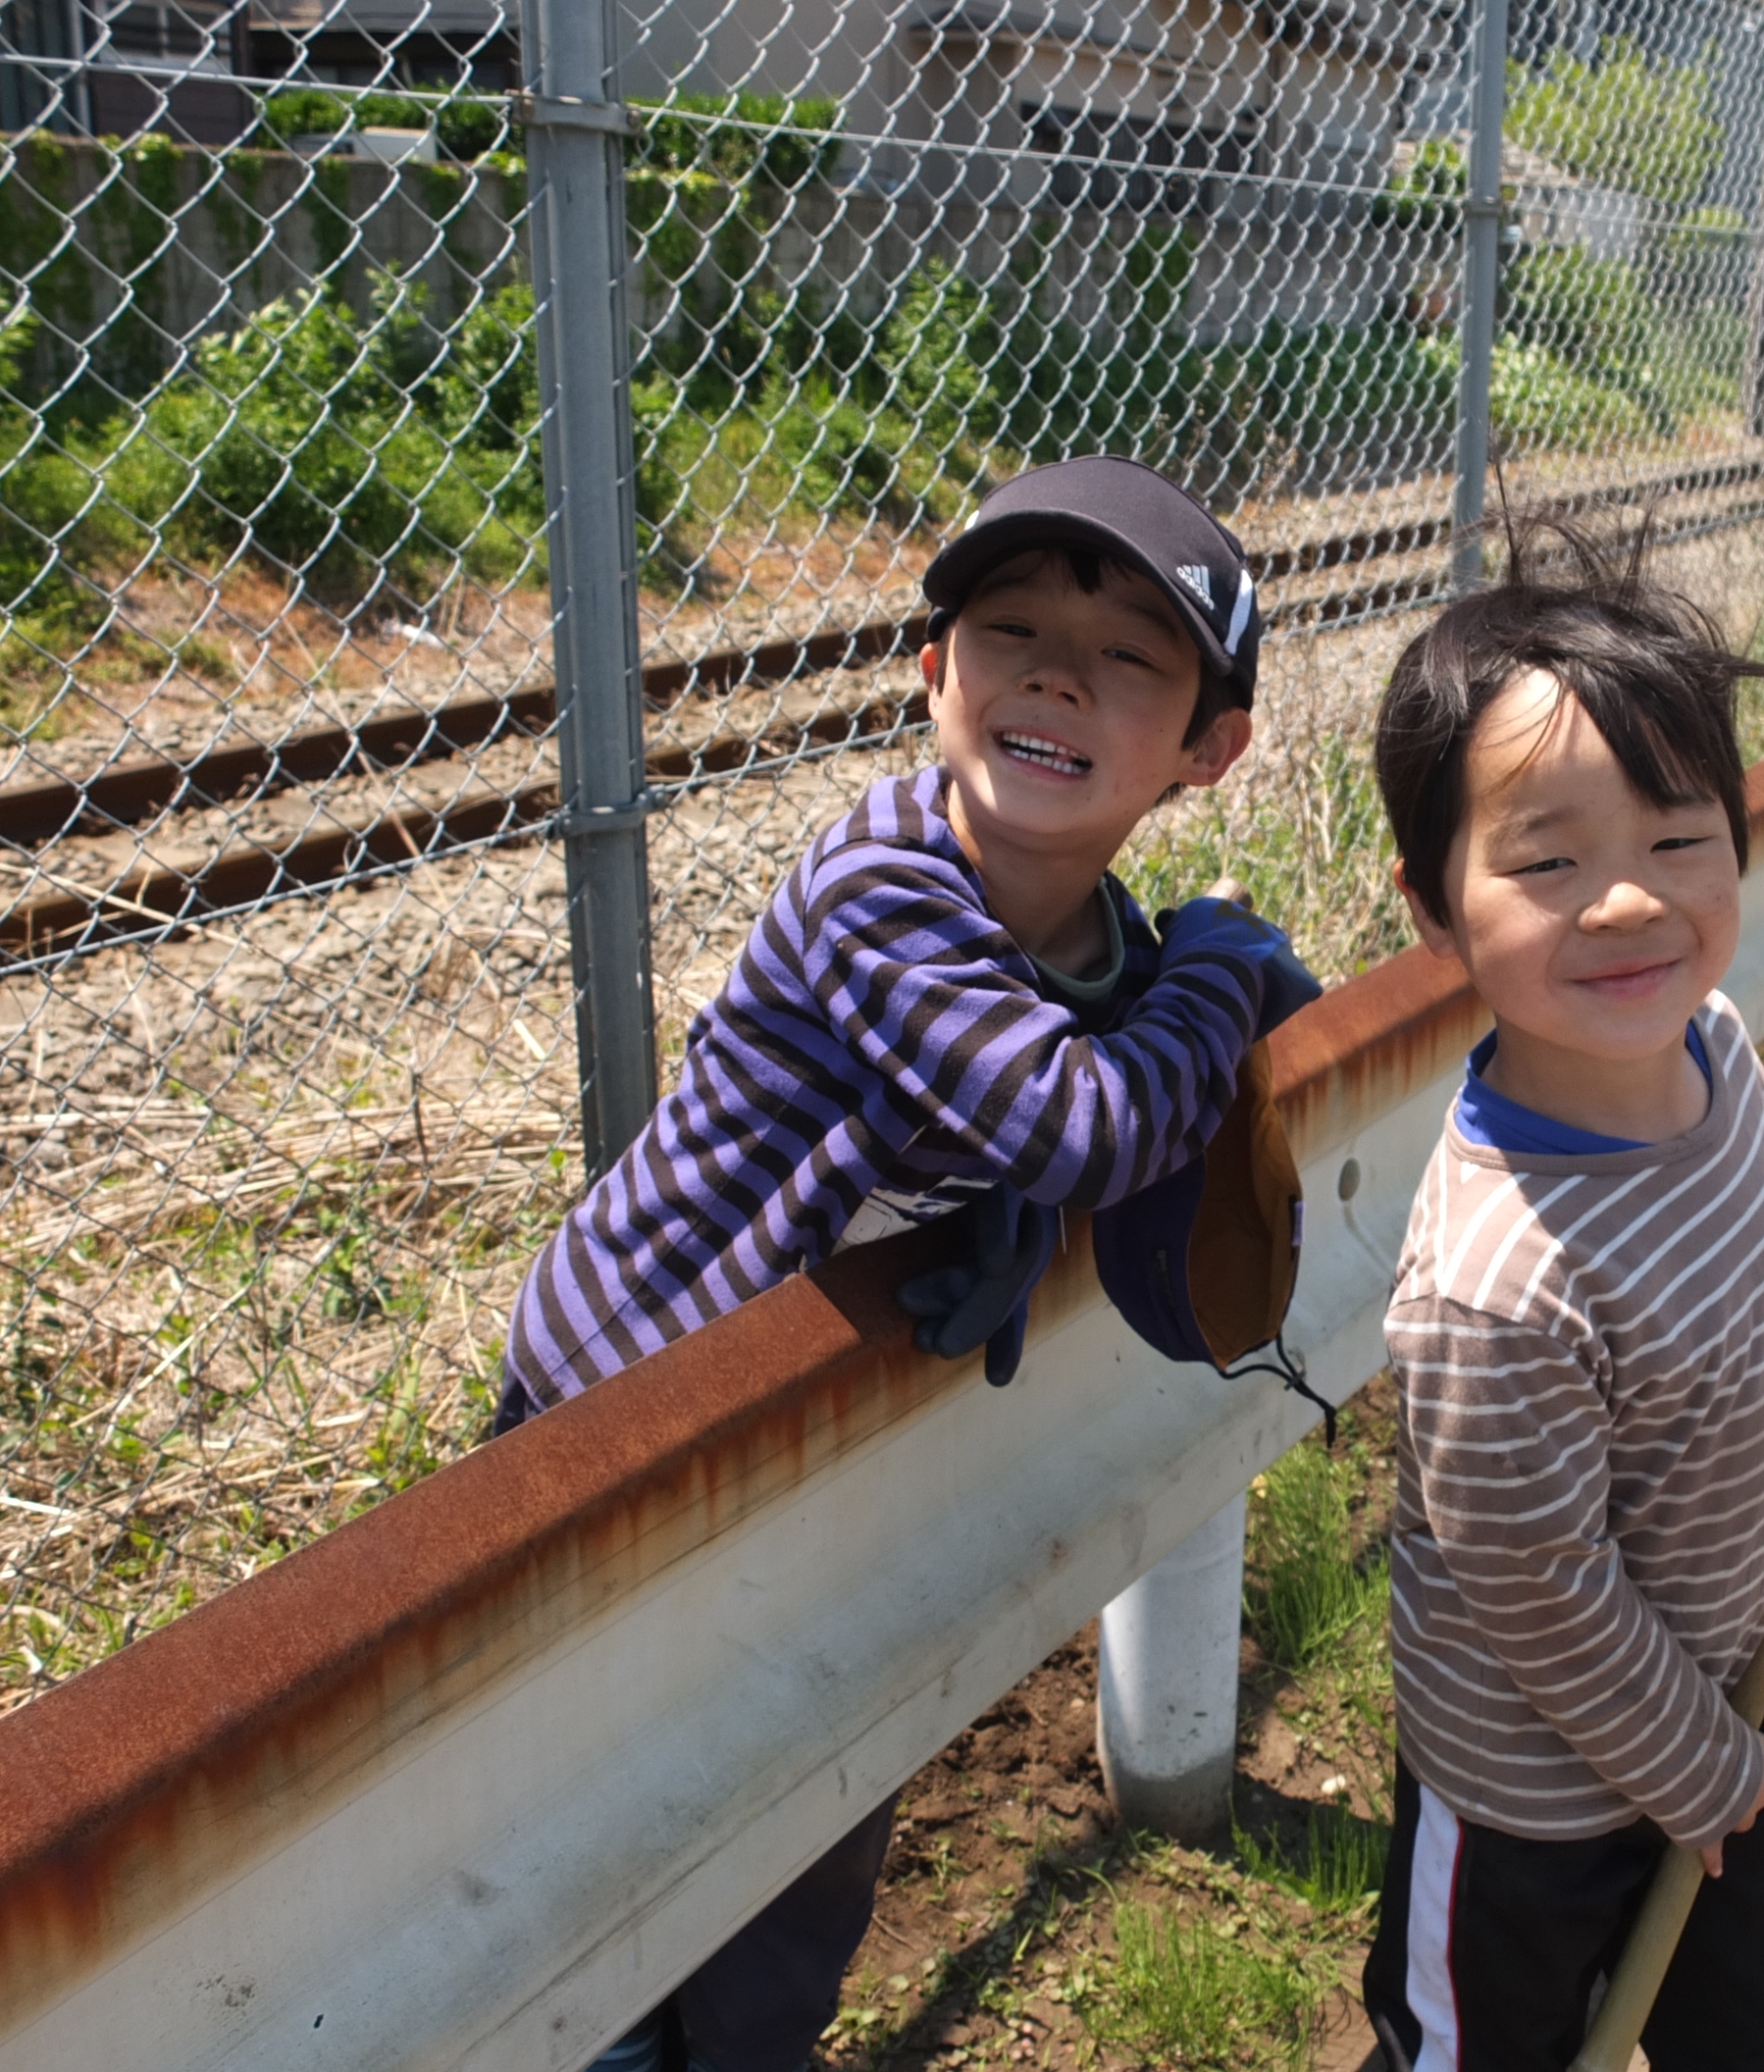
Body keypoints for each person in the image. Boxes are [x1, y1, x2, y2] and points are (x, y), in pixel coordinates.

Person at [496, 456, 1314, 2072]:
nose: (1057, 676)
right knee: (602, 1837)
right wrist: (1222, 973)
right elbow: (1082, 1123)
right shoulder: (882, 883)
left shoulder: (1105, 948)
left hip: (813, 1430)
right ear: (935, 672)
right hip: (626, 1406)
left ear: (1208, 748)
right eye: (1011, 631)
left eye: (1128, 657)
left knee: (818, 1788)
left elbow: (1089, 1112)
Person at [1355, 525, 1764, 2072]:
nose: (1625, 904)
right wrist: (1705, 1773)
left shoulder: (1711, 1047)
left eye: (1677, 840)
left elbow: (1752, 1193)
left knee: (1752, 2046)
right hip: (1538, 1802)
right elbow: (1546, 1592)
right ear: (1434, 907)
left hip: (1733, 1699)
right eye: (1547, 862)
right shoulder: (1497, 1286)